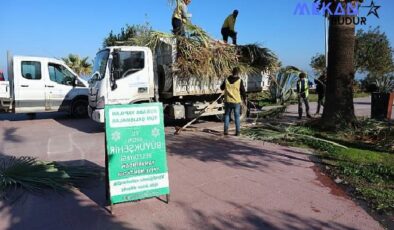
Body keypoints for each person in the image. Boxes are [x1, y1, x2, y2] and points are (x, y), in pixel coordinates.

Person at [220, 67, 247, 136]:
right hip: (236, 101)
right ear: (238, 73)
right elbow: (243, 91)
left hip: (228, 101)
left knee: (226, 115)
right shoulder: (239, 80)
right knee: (237, 116)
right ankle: (237, 132)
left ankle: (226, 131)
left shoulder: (226, 80)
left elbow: (221, 88)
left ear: (232, 72)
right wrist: (245, 99)